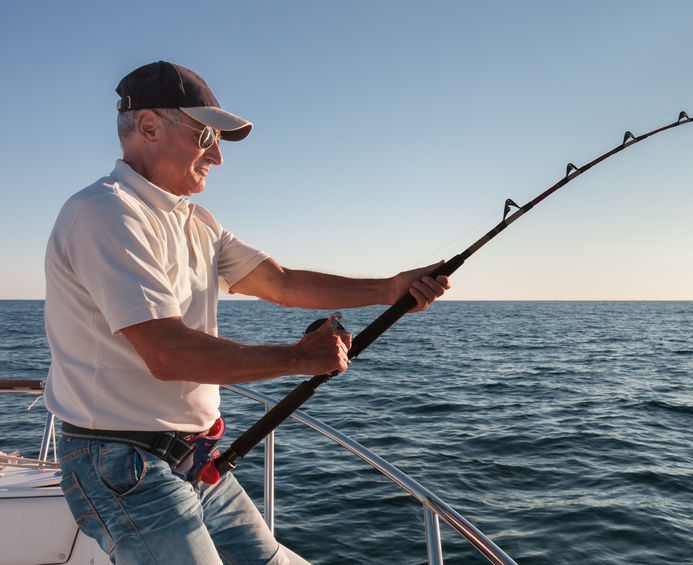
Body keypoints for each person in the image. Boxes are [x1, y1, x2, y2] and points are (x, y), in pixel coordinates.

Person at [44, 60, 450, 565]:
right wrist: (300, 359)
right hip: (122, 463)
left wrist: (389, 289)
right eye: (206, 135)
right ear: (149, 126)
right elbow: (167, 354)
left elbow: (282, 282)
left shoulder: (198, 221)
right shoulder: (108, 213)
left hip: (192, 458)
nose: (217, 155)